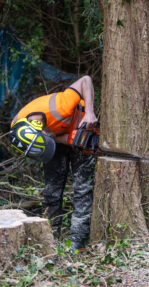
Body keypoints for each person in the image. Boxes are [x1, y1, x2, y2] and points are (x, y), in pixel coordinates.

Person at [10, 76, 97, 251]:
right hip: (55, 138)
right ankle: (50, 238)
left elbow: (86, 80)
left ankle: (77, 244)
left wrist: (89, 112)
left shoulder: (61, 106)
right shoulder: (18, 128)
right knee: (51, 191)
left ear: (39, 127)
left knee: (82, 189)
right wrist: (62, 140)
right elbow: (48, 137)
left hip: (81, 127)